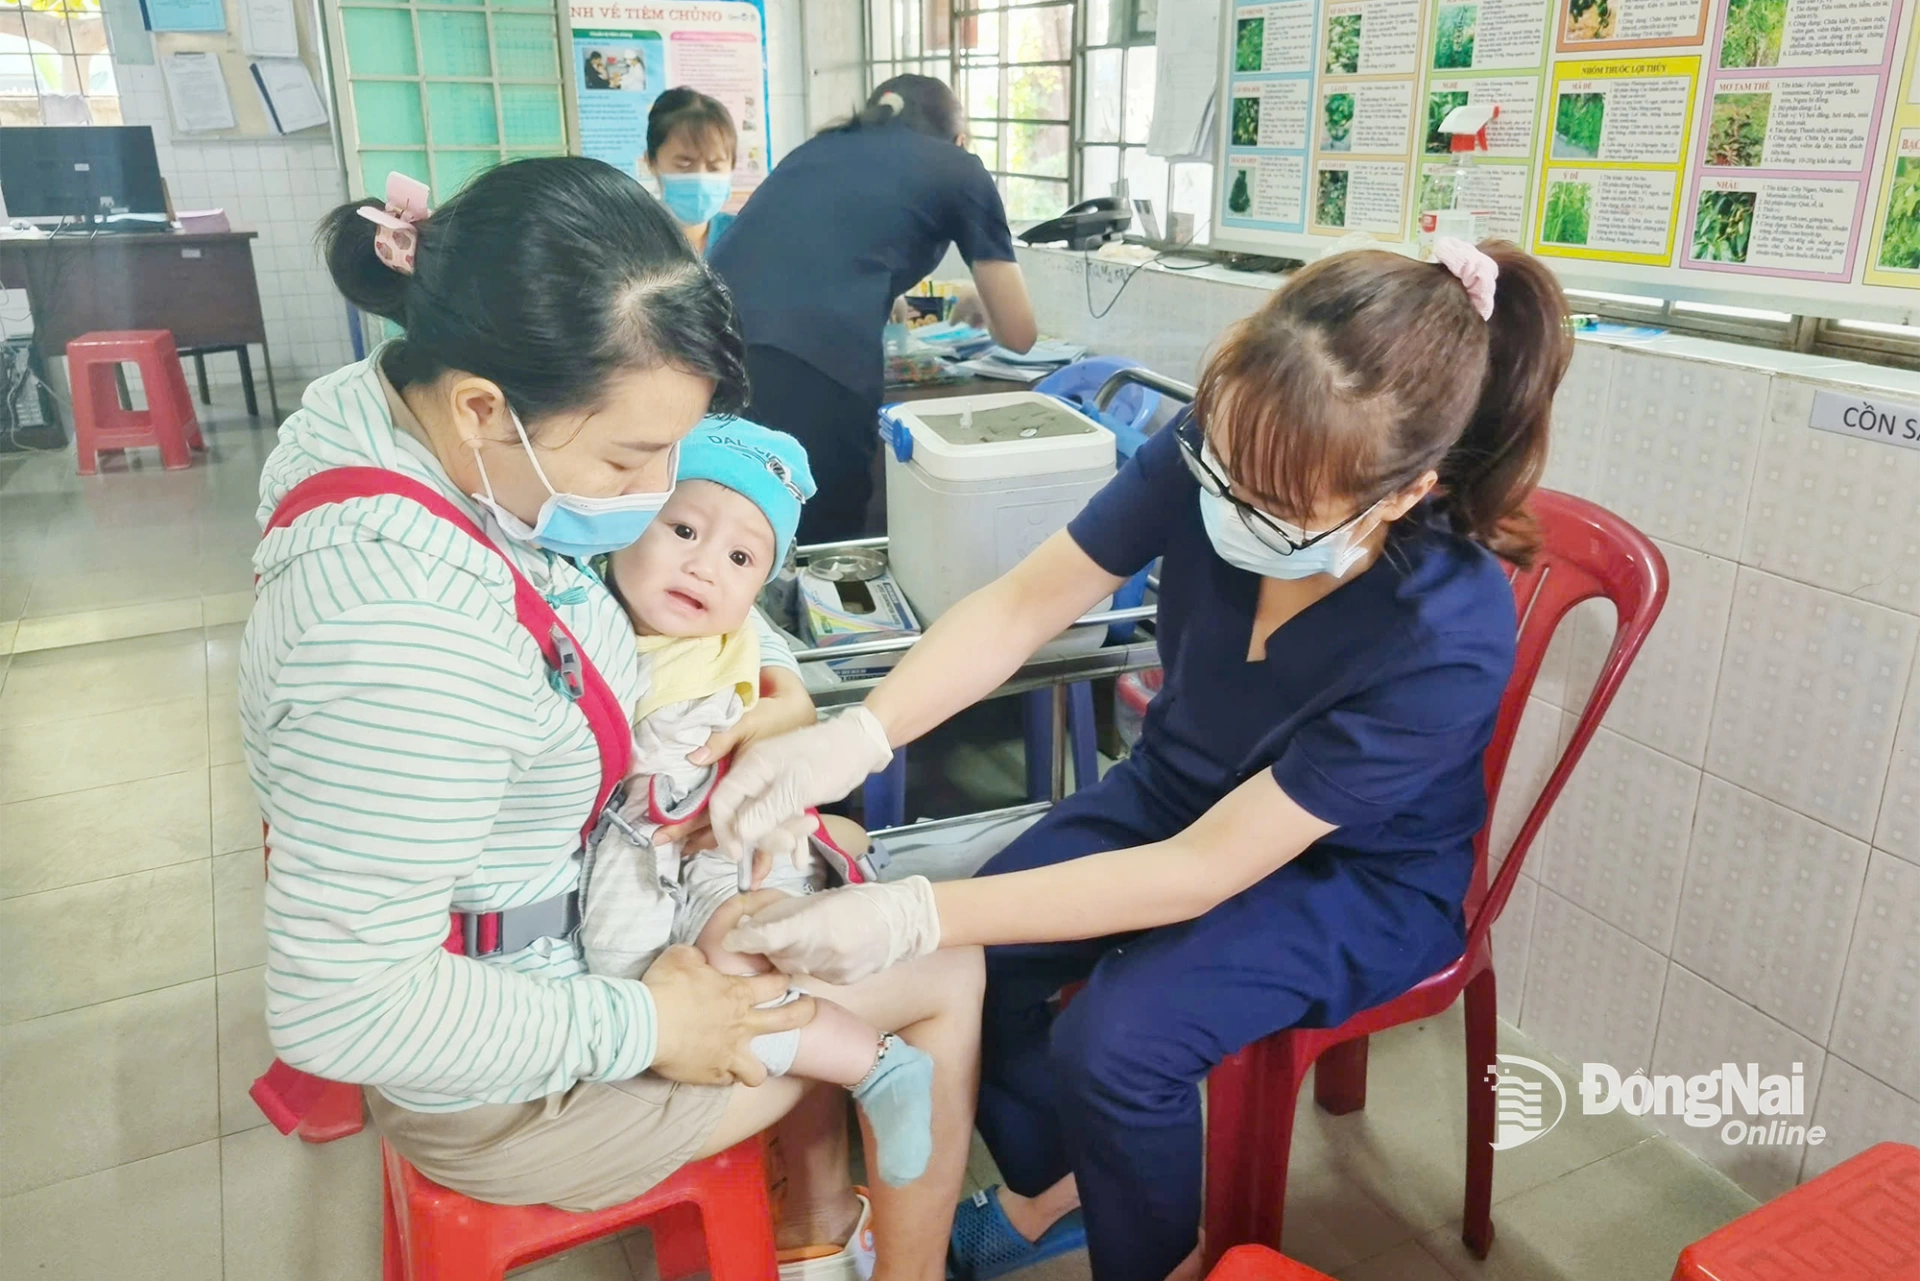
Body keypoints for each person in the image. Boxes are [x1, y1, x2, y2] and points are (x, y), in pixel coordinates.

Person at [708, 239, 1572, 1281]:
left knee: (1120, 1041)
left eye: (1279, 507)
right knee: (977, 963)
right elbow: (1027, 603)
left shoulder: (1448, 630)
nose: (1235, 506)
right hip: (1177, 792)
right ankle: (1053, 1186)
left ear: (1402, 493)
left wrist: (912, 904)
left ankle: (1156, 1255)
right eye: (1226, 469)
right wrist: (854, 735)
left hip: (1352, 876)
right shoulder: (1228, 446)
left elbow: (1205, 872)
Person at [245, 155, 981, 1281]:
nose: (655, 492)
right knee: (947, 965)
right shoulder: (397, 631)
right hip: (518, 1076)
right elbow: (343, 1010)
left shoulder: (393, 423)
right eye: (632, 457)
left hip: (573, 927)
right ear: (486, 408)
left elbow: (640, 634)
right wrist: (651, 1027)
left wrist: (768, 707)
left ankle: (816, 1218)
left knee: (806, 894)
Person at [581, 416, 934, 1188]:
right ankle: (846, 1087)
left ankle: (876, 1066)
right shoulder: (579, 609)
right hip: (623, 859)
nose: (704, 566)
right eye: (681, 528)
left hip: (717, 847)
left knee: (736, 955)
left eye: (740, 556)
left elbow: (774, 690)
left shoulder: (738, 639)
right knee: (629, 981)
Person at [709, 75, 1040, 543]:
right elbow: (1019, 334)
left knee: (721, 517)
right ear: (959, 137)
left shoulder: (820, 149)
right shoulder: (959, 168)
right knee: (820, 536)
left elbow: (814, 250)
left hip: (703, 339)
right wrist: (981, 295)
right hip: (812, 364)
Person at [645, 87, 739, 257]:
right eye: (684, 165)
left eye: (714, 167)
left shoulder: (746, 237)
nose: (701, 177)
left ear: (732, 165)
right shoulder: (627, 242)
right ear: (651, 162)